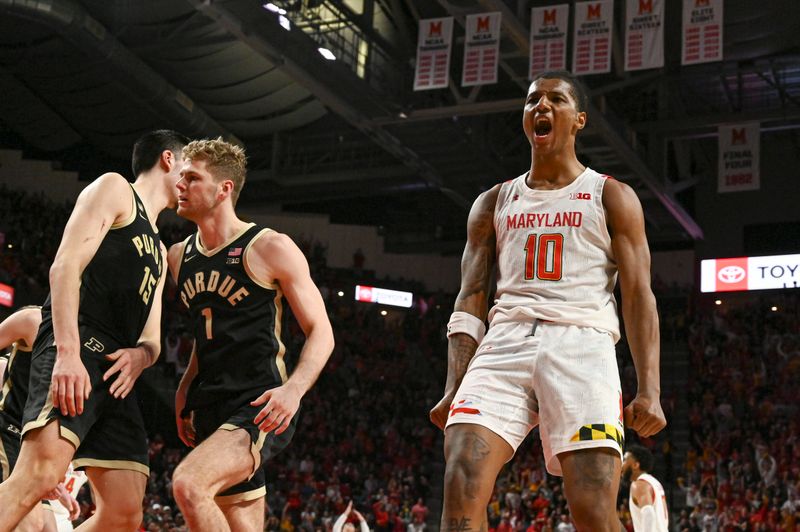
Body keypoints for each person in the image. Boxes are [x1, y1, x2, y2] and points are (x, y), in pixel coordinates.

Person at [429, 70, 666, 531]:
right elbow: (471, 295)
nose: (540, 106)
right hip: (505, 343)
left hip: (583, 344)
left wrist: (650, 390)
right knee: (460, 481)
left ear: (578, 120)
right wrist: (454, 383)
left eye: (555, 99)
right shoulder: (493, 201)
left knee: (594, 512)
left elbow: (639, 296)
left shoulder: (611, 195)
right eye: (532, 99)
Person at [0, 129, 189, 532]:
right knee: (38, 475)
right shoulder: (116, 188)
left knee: (123, 511)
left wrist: (143, 356)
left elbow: (152, 338)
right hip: (78, 344)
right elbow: (64, 266)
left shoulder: (158, 244)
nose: (190, 183)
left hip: (115, 374)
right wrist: (67, 353)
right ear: (169, 159)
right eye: (188, 168)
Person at [167, 138, 334, 531]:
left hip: (258, 403)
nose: (181, 185)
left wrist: (294, 390)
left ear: (224, 189)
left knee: (189, 484)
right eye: (181, 177)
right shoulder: (179, 257)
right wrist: (184, 388)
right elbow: (205, 333)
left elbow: (321, 331)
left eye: (193, 177)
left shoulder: (269, 246)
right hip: (208, 405)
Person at [622, 445, 668, 531]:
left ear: (635, 465)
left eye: (624, 460)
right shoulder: (654, 482)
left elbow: (648, 513)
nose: (621, 464)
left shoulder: (639, 484)